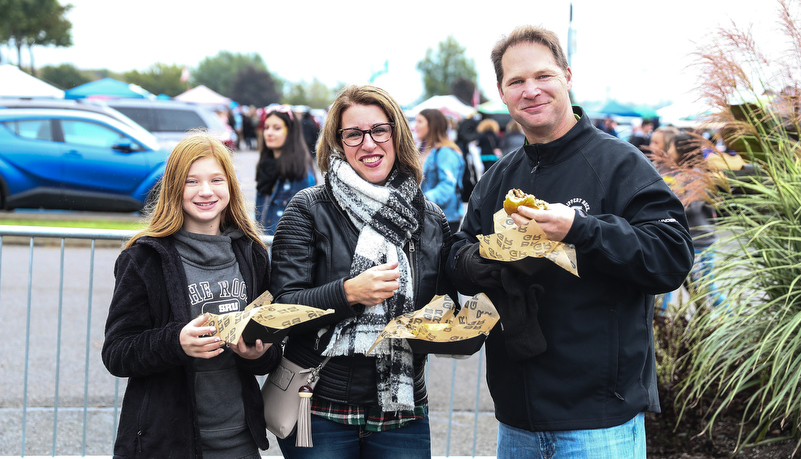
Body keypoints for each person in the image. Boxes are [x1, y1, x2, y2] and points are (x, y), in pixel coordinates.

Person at [447, 25, 694, 458]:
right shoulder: (497, 177)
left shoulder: (619, 163)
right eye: (517, 81)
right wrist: (483, 261)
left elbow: (671, 256)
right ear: (502, 94)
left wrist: (580, 229)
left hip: (600, 421)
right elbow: (460, 252)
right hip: (516, 416)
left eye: (543, 76)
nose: (531, 90)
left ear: (567, 76)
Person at [269, 84, 456, 458]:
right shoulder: (309, 208)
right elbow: (283, 308)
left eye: (378, 130)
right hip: (319, 405)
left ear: (396, 133)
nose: (368, 144)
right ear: (338, 142)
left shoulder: (431, 219)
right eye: (353, 134)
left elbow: (445, 306)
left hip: (402, 412)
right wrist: (348, 293)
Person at [101, 133, 281, 458]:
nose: (206, 191)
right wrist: (177, 342)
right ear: (173, 188)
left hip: (240, 440)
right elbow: (117, 353)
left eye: (216, 179)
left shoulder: (252, 254)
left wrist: (258, 353)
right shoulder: (144, 259)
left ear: (230, 186)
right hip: (167, 443)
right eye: (191, 181)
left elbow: (270, 350)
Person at [255, 105, 317, 235]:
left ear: (290, 131)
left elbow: (303, 226)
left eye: (277, 128)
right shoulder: (265, 165)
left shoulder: (302, 173)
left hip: (282, 249)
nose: (269, 132)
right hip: (262, 247)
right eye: (266, 127)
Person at [415, 108, 466, 233]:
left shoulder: (445, 151)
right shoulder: (424, 149)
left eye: (420, 121)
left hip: (444, 217)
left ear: (432, 125)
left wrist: (421, 200)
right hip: (427, 214)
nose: (415, 126)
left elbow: (447, 186)